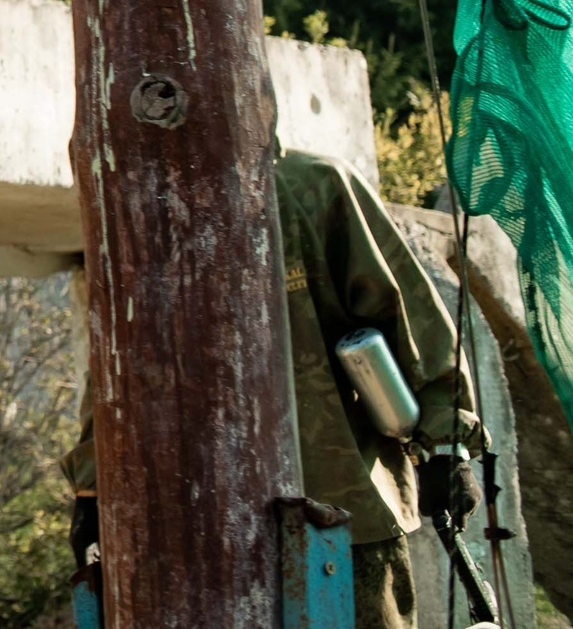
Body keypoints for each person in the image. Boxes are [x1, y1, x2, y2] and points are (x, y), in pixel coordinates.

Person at [63, 149, 487, 629]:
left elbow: (408, 314)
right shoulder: (141, 202)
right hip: (194, 526)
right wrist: (91, 492)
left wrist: (449, 445)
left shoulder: (311, 185)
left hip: (339, 513)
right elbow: (118, 363)